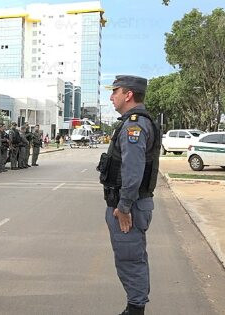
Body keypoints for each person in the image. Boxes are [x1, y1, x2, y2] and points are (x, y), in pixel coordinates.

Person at [98, 75, 160, 315]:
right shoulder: (132, 123)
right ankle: (136, 304)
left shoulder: (134, 125)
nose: (111, 97)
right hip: (131, 204)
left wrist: (123, 207)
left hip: (129, 207)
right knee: (132, 257)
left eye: (115, 91)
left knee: (130, 259)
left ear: (129, 95)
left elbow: (132, 172)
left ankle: (135, 308)